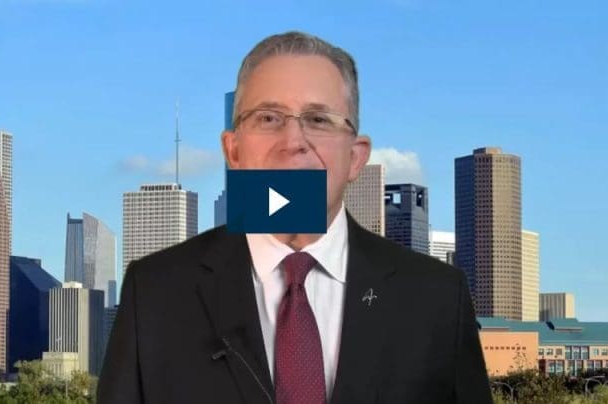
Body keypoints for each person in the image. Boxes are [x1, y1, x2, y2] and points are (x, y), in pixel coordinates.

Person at [98, 31, 492, 404]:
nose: (293, 142)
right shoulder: (153, 295)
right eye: (268, 118)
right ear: (233, 150)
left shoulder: (436, 299)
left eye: (318, 119)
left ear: (356, 157)